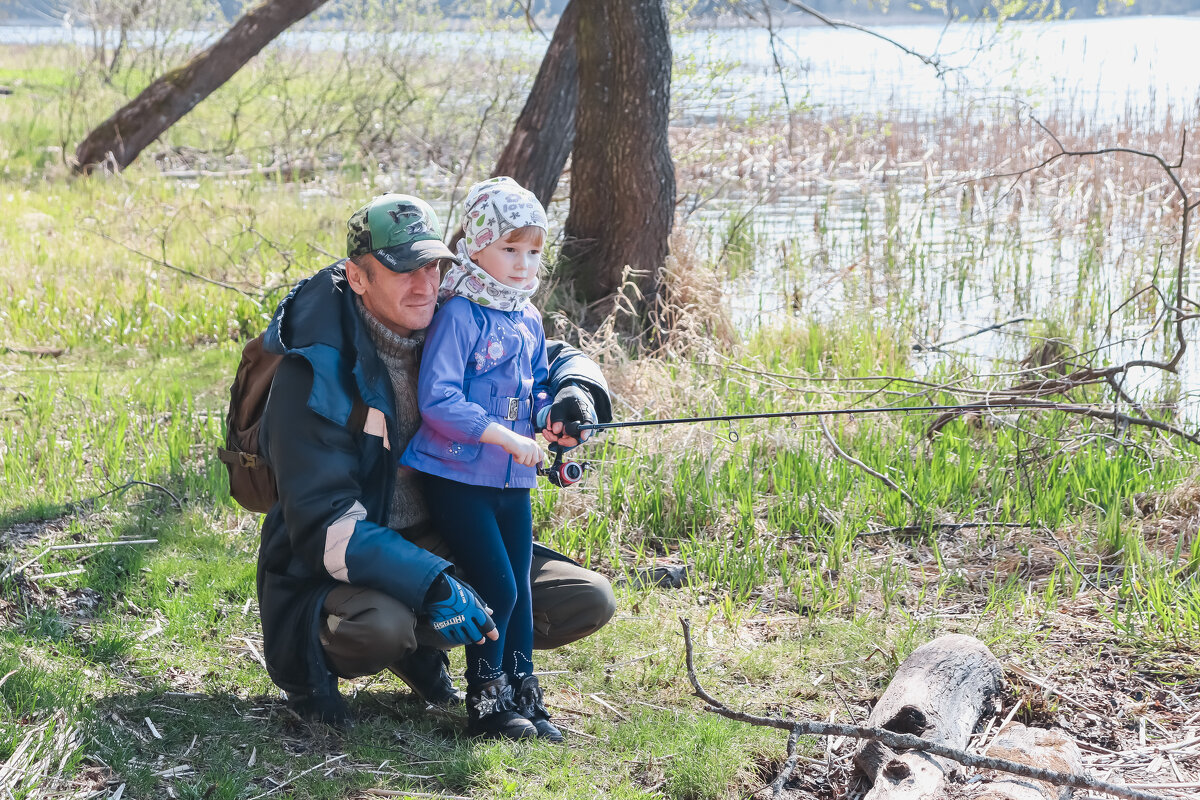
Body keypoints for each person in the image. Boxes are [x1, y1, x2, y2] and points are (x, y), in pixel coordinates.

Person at [256, 192, 614, 728]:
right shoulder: (312, 372)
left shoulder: (450, 313)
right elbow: (323, 526)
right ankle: (396, 648)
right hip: (350, 557)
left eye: (433, 265)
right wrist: (436, 582)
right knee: (382, 626)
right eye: (403, 271)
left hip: (447, 523)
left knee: (584, 599)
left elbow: (549, 353)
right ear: (358, 277)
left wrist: (576, 394)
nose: (425, 284)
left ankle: (488, 673)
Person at [400, 178, 563, 741]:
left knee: (517, 584)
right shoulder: (460, 314)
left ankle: (524, 690)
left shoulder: (527, 317)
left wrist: (551, 417)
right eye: (510, 249)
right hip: (459, 476)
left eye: (534, 251)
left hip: (513, 480)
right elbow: (439, 398)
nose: (523, 265)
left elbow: (538, 385)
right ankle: (486, 702)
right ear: (475, 245)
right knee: (497, 587)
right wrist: (500, 435)